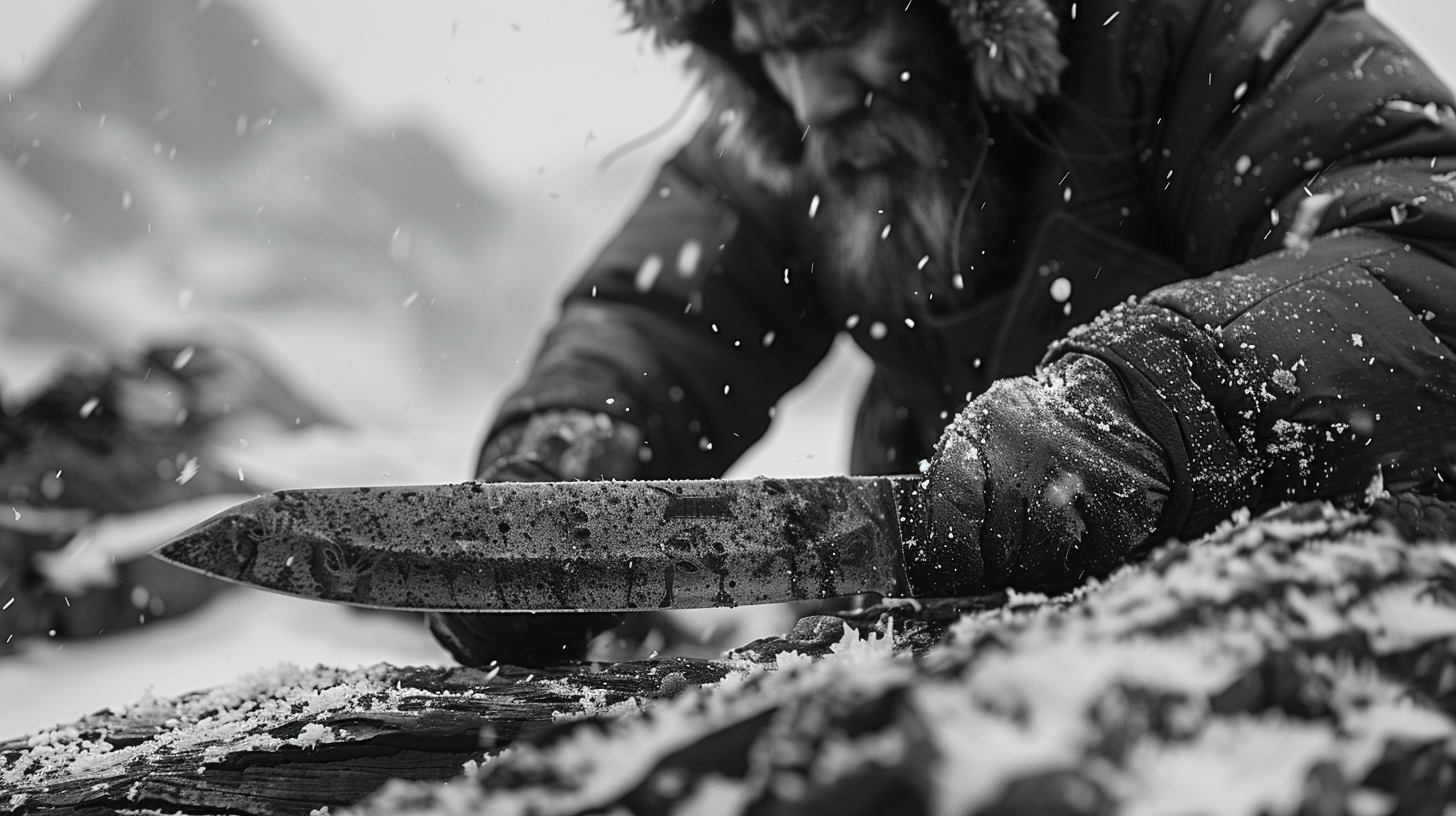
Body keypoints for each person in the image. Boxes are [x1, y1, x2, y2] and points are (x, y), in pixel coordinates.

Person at [428, 0, 1456, 666]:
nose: (807, 95)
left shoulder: (1201, 27)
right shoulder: (801, 134)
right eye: (764, 45)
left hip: (1297, 627)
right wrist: (566, 459)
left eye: (831, 28)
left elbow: (1426, 250)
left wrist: (1149, 403)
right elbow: (654, 321)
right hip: (949, 642)